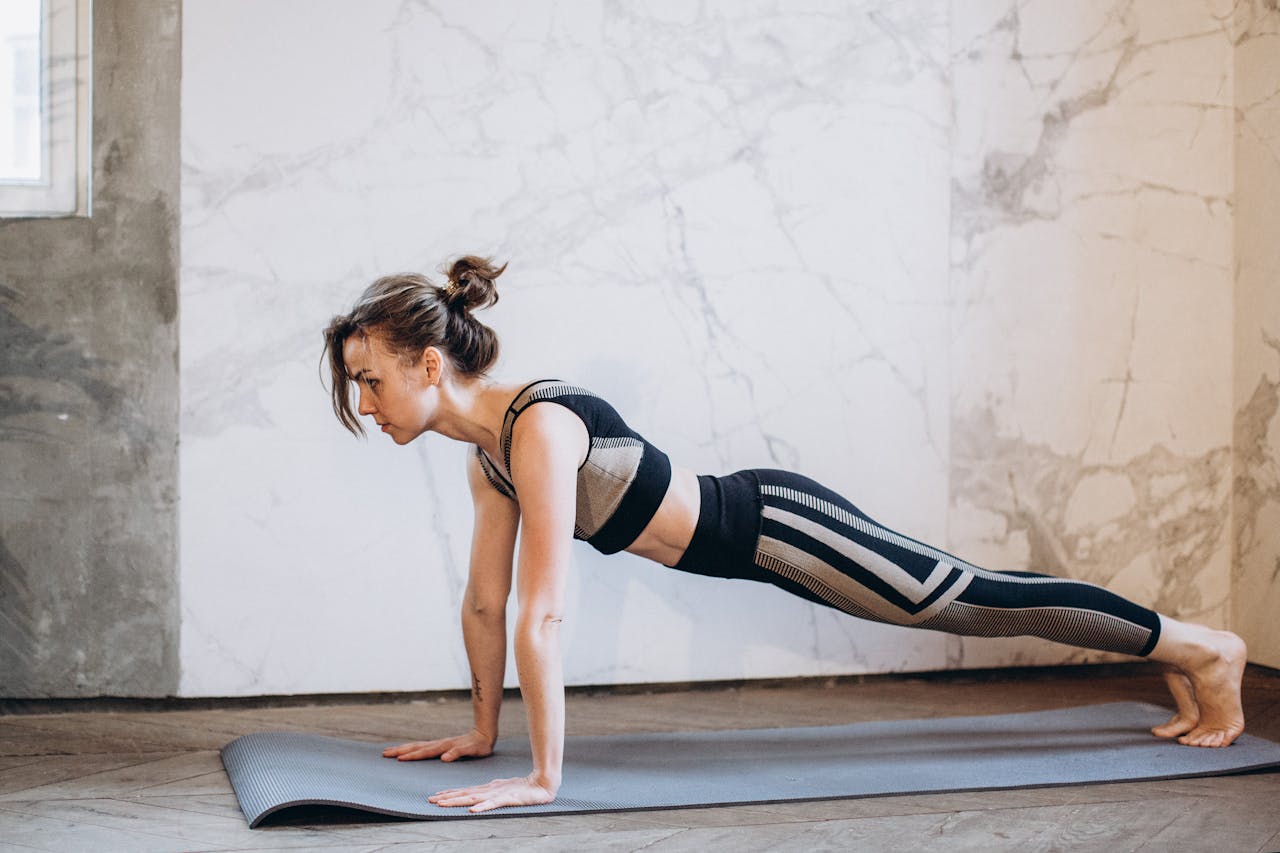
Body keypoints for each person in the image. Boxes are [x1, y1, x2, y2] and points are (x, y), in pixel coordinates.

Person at [322, 255, 1247, 813]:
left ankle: (1204, 647)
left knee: (970, 601)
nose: (367, 405)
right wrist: (485, 733)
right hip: (760, 546)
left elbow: (546, 612)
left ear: (429, 362)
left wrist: (543, 777)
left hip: (782, 525)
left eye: (371, 380)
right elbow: (488, 599)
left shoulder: (538, 428)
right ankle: (1180, 649)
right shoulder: (489, 455)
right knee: (972, 601)